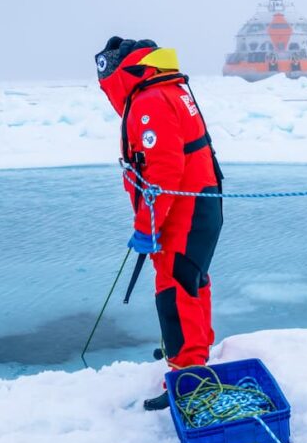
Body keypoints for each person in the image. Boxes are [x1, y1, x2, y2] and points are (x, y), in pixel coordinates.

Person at [95, 37, 224, 410]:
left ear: (117, 72)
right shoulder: (166, 87)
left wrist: (146, 225)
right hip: (199, 204)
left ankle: (188, 380)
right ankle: (193, 355)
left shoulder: (149, 100)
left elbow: (164, 170)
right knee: (191, 281)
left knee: (175, 287)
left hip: (185, 211)